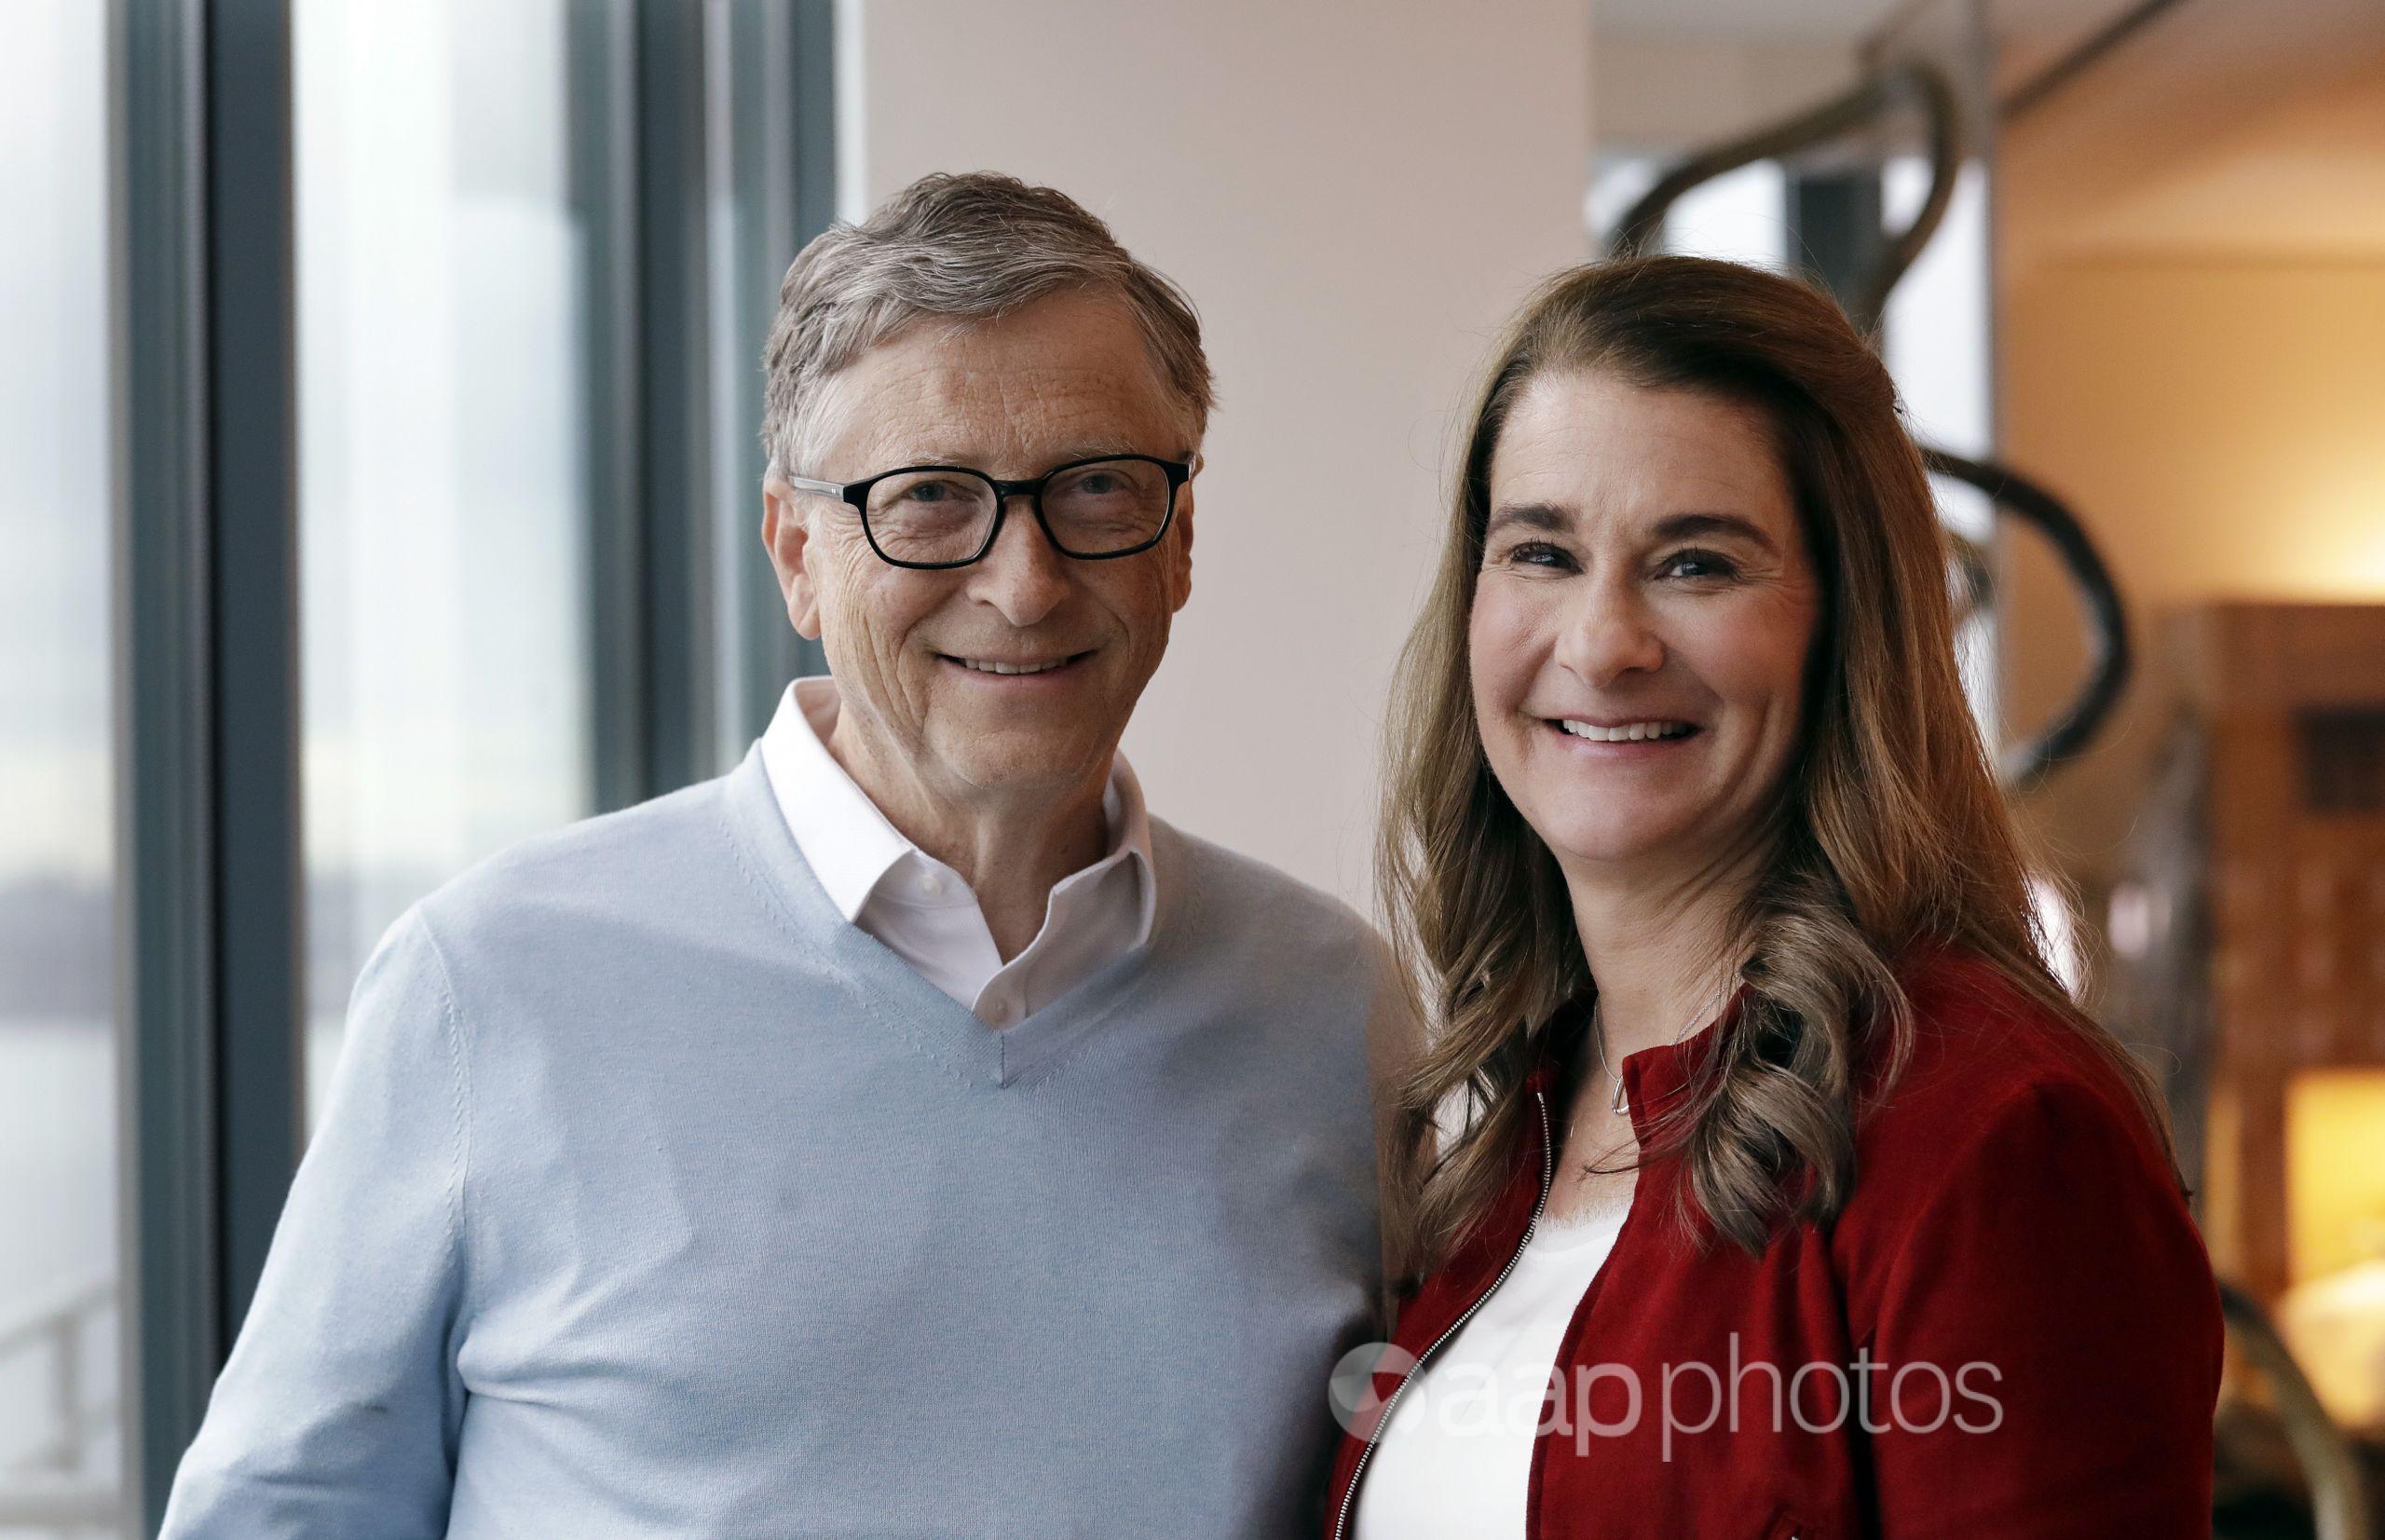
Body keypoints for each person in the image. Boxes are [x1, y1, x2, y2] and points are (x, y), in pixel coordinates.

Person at [162, 171, 1406, 1538]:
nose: (1023, 583)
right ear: (797, 551)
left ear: (1180, 542)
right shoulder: (491, 983)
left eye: (1097, 488)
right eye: (928, 499)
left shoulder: (1331, 1007)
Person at [1325, 254, 2223, 1538]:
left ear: (1845, 625)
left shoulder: (1999, 1133)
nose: (1602, 642)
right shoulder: (1500, 1126)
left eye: (1696, 563)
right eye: (1542, 552)